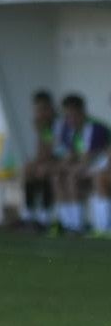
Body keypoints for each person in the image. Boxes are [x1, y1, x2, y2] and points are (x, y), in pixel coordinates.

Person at [52, 93, 111, 235]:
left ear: (81, 111)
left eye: (72, 115)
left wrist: (79, 168)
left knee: (90, 177)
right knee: (58, 175)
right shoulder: (72, 130)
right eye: (67, 116)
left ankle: (88, 226)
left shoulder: (95, 128)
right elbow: (70, 155)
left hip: (97, 168)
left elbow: (88, 158)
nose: (69, 119)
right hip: (96, 168)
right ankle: (69, 224)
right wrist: (60, 167)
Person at [19, 90, 61, 230]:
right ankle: (28, 215)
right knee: (28, 169)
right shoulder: (42, 126)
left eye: (43, 109)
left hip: (61, 161)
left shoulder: (60, 124)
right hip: (49, 160)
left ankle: (45, 216)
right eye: (37, 110)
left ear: (51, 108)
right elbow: (40, 153)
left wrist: (42, 131)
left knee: (44, 170)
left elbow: (55, 151)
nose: (40, 113)